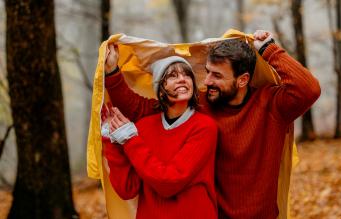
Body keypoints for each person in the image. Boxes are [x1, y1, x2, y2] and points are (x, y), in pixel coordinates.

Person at [104, 30, 321, 219]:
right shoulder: (204, 103)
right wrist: (113, 72)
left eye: (216, 75)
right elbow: (143, 109)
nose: (206, 82)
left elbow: (308, 89)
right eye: (207, 72)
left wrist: (269, 49)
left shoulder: (273, 105)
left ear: (242, 80)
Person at [102, 56, 218, 219]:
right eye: (172, 76)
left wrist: (129, 139)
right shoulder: (143, 127)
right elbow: (127, 188)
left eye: (187, 75)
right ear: (160, 89)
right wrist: (111, 138)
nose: (182, 80)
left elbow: (169, 182)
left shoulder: (204, 127)